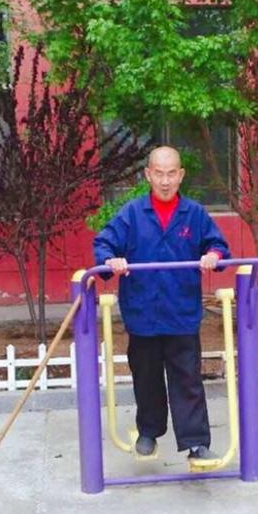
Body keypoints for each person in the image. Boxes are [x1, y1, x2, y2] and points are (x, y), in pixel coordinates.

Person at [93, 146, 231, 461]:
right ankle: (148, 432)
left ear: (181, 175)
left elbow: (218, 244)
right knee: (146, 377)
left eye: (171, 174)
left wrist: (213, 255)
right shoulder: (131, 214)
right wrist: (111, 260)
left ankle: (196, 443)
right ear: (148, 175)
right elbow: (103, 244)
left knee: (187, 379)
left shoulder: (194, 214)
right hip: (142, 312)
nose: (165, 181)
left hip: (181, 312)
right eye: (159, 173)